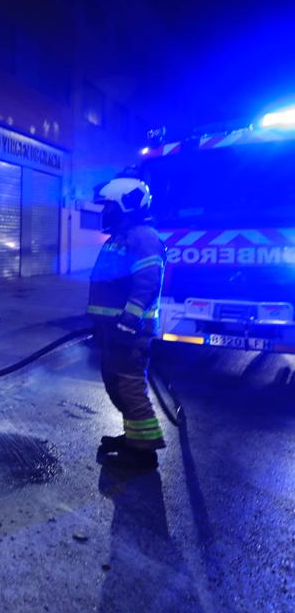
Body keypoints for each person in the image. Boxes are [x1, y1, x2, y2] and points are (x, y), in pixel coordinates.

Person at [89, 175, 167, 470]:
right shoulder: (120, 237)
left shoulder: (142, 236)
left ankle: (144, 453)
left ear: (125, 204)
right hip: (113, 328)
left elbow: (147, 281)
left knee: (130, 386)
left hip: (130, 331)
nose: (104, 211)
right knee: (116, 384)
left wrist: (129, 319)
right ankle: (133, 437)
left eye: (108, 205)